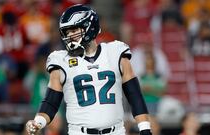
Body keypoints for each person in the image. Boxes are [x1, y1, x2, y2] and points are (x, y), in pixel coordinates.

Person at [25, 4, 152, 135]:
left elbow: (134, 95)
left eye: (74, 30)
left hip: (116, 131)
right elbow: (51, 102)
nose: (70, 36)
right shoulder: (61, 60)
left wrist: (145, 127)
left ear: (89, 27)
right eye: (67, 32)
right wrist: (38, 122)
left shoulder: (115, 52)